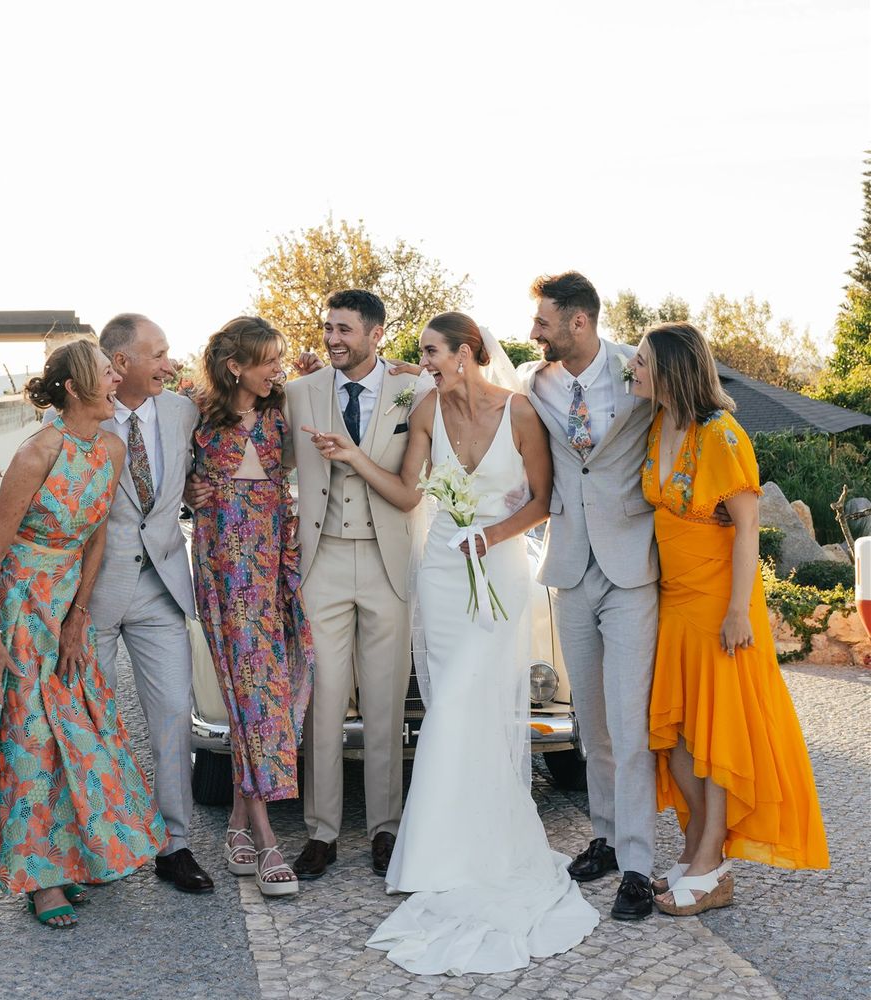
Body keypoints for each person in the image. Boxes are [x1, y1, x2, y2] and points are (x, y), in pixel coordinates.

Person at [304, 312, 600, 975]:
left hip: (494, 566)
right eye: (423, 354)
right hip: (440, 569)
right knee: (449, 704)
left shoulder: (520, 412)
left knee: (475, 700)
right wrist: (353, 458)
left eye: (434, 352)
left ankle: (459, 847)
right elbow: (411, 495)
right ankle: (438, 848)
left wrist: (490, 537)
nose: (426, 361)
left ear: (468, 353)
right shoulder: (429, 407)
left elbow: (542, 501)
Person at [0, 339, 168, 928]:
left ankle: (71, 856)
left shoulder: (109, 448)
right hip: (12, 609)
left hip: (65, 609)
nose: (118, 379)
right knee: (29, 742)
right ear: (72, 387)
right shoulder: (37, 453)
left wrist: (79, 616)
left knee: (80, 735)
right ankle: (39, 880)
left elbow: (96, 539)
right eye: (106, 372)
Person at [630, 322, 830, 915]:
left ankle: (713, 865)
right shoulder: (658, 422)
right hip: (673, 600)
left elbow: (748, 529)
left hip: (719, 603)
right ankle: (698, 845)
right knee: (681, 734)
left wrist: (740, 610)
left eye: (641, 363)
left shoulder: (724, 436)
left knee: (717, 732)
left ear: (669, 370)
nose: (632, 371)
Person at [517, 271, 660, 921]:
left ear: (579, 322)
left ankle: (637, 864)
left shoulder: (641, 369)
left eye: (543, 322)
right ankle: (603, 836)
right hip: (569, 566)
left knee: (631, 722)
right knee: (591, 721)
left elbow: (697, 409)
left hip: (632, 568)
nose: (533, 333)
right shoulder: (534, 380)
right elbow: (478, 393)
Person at [282, 290, 422, 880]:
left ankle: (385, 829)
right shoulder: (298, 393)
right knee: (324, 699)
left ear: (377, 333)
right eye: (327, 328)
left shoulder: (415, 392)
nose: (332, 338)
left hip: (389, 558)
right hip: (324, 559)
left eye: (344, 329)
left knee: (388, 700)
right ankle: (322, 832)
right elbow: (275, 462)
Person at [190, 317, 315, 897]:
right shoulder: (195, 417)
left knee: (285, 690)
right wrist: (191, 493)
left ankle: (238, 821)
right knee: (250, 698)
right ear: (235, 365)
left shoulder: (284, 410)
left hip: (280, 575)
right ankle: (266, 840)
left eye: (280, 359)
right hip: (225, 581)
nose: (277, 369)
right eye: (267, 360)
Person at [91, 313, 213, 893]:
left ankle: (175, 845)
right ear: (121, 363)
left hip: (163, 588)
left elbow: (249, 404)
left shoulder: (182, 412)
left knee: (171, 719)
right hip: (90, 595)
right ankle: (90, 847)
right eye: (159, 354)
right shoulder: (75, 418)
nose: (170, 363)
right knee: (87, 721)